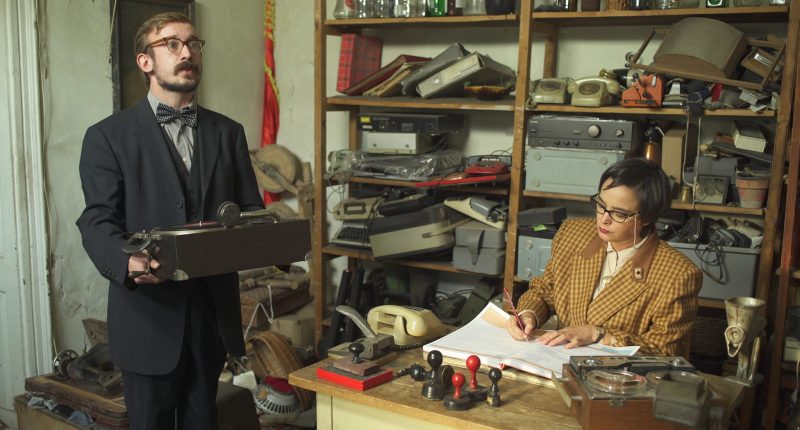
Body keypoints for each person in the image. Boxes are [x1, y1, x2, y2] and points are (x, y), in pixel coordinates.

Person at [76, 12, 263, 429]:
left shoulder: (228, 132)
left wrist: (279, 240)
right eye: (172, 44)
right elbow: (97, 218)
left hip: (212, 318)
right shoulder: (106, 137)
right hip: (148, 318)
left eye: (194, 43)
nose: (187, 53)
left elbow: (250, 211)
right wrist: (126, 260)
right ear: (145, 61)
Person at [506, 158, 702, 356]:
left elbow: (664, 351)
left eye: (619, 213)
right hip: (556, 360)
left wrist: (599, 334)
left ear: (647, 217)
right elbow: (545, 291)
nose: (604, 219)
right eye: (601, 204)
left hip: (617, 372)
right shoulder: (573, 234)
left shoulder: (679, 275)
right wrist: (528, 315)